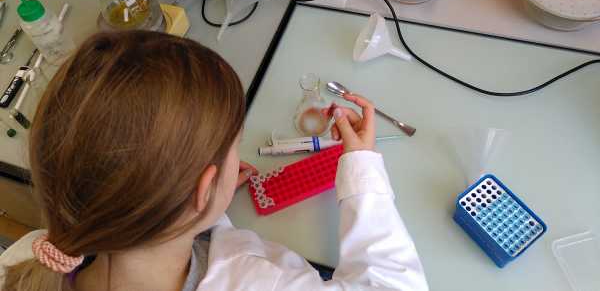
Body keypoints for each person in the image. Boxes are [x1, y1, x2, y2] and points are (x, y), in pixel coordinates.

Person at [0, 31, 428, 291]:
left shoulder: (31, 258)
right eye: (230, 147)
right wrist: (363, 170)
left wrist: (198, 212)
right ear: (203, 189)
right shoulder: (262, 281)